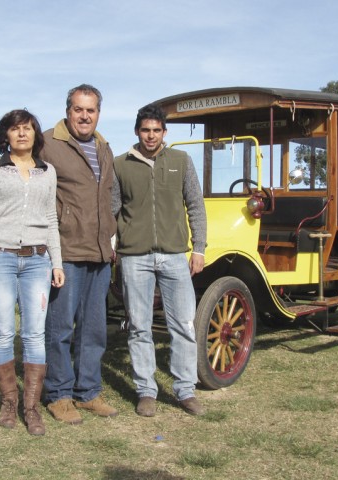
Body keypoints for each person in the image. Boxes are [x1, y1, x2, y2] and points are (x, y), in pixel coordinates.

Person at [0, 84, 118, 425]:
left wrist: (111, 228)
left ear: (98, 113)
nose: (85, 116)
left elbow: (110, 193)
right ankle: (59, 394)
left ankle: (88, 392)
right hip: (64, 247)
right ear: (68, 110)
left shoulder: (104, 147)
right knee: (58, 328)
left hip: (99, 250)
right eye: (78, 109)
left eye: (91, 110)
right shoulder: (49, 143)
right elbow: (19, 175)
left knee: (94, 328)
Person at [0, 109, 65, 436]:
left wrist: (57, 262)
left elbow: (51, 219)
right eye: (15, 129)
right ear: (5, 135)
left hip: (37, 260)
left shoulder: (48, 172)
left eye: (28, 128)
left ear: (36, 135)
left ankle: (31, 409)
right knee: (3, 333)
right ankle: (9, 401)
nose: (22, 134)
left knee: (35, 334)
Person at [112, 103, 207, 417]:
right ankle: (146, 391)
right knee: (139, 327)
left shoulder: (181, 160)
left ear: (164, 133)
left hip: (174, 256)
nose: (150, 136)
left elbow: (195, 205)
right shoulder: (120, 165)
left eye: (156, 130)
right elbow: (112, 210)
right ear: (137, 132)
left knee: (183, 325)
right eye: (145, 130)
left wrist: (199, 249)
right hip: (134, 257)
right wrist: (112, 246)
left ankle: (184, 390)